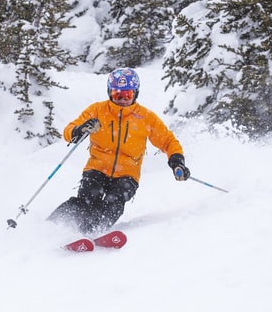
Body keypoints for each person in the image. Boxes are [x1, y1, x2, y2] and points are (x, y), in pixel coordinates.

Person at [47, 67, 190, 234]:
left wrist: (177, 161)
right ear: (110, 93)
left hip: (127, 174)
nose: (122, 99)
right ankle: (51, 226)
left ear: (135, 93)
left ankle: (93, 231)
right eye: (117, 95)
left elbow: (168, 141)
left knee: (113, 202)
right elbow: (68, 131)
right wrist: (80, 129)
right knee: (86, 199)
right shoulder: (98, 111)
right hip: (97, 168)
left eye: (127, 95)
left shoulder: (146, 117)